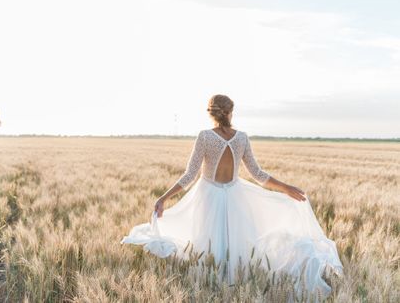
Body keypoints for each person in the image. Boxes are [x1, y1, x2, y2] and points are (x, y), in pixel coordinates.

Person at [120, 94, 343, 301]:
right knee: (236, 243)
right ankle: (236, 283)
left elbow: (189, 175)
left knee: (208, 242)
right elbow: (258, 175)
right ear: (230, 112)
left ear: (211, 113)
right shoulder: (242, 138)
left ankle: (212, 284)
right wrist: (286, 188)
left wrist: (164, 198)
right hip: (236, 196)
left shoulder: (205, 137)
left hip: (209, 196)